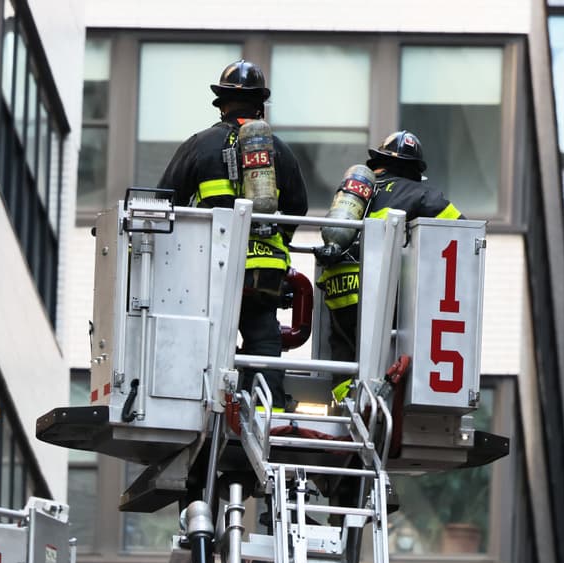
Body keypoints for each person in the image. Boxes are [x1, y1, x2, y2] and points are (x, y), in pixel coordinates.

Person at [157, 60, 308, 408]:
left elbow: (167, 199)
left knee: (208, 335)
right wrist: (274, 244)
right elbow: (297, 207)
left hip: (211, 266)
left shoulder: (200, 144)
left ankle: (206, 400)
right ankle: (267, 406)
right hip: (265, 269)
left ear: (221, 104)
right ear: (260, 106)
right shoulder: (281, 152)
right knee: (264, 338)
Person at [321, 130, 463, 365]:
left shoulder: (357, 191)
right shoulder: (420, 193)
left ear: (379, 163)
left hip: (338, 287)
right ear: (415, 170)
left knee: (344, 353)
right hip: (376, 291)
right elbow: (461, 227)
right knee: (381, 358)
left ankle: (344, 397)